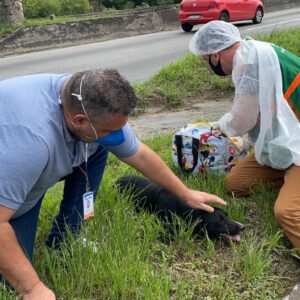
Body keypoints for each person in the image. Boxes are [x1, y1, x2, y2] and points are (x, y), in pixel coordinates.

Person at [0, 69, 226, 299]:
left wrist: (185, 193)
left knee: (97, 146)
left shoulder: (86, 99)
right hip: (15, 168)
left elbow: (139, 154)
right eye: (111, 130)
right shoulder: (31, 142)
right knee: (8, 282)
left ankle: (67, 238)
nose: (119, 136)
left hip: (24, 169)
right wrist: (33, 289)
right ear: (79, 121)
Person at [189, 21, 300, 255]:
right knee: (235, 185)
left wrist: (221, 125)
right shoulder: (252, 52)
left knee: (287, 212)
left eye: (205, 59)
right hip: (288, 142)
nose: (207, 64)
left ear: (215, 55)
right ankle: (292, 180)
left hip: (296, 142)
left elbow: (242, 121)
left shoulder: (250, 63)